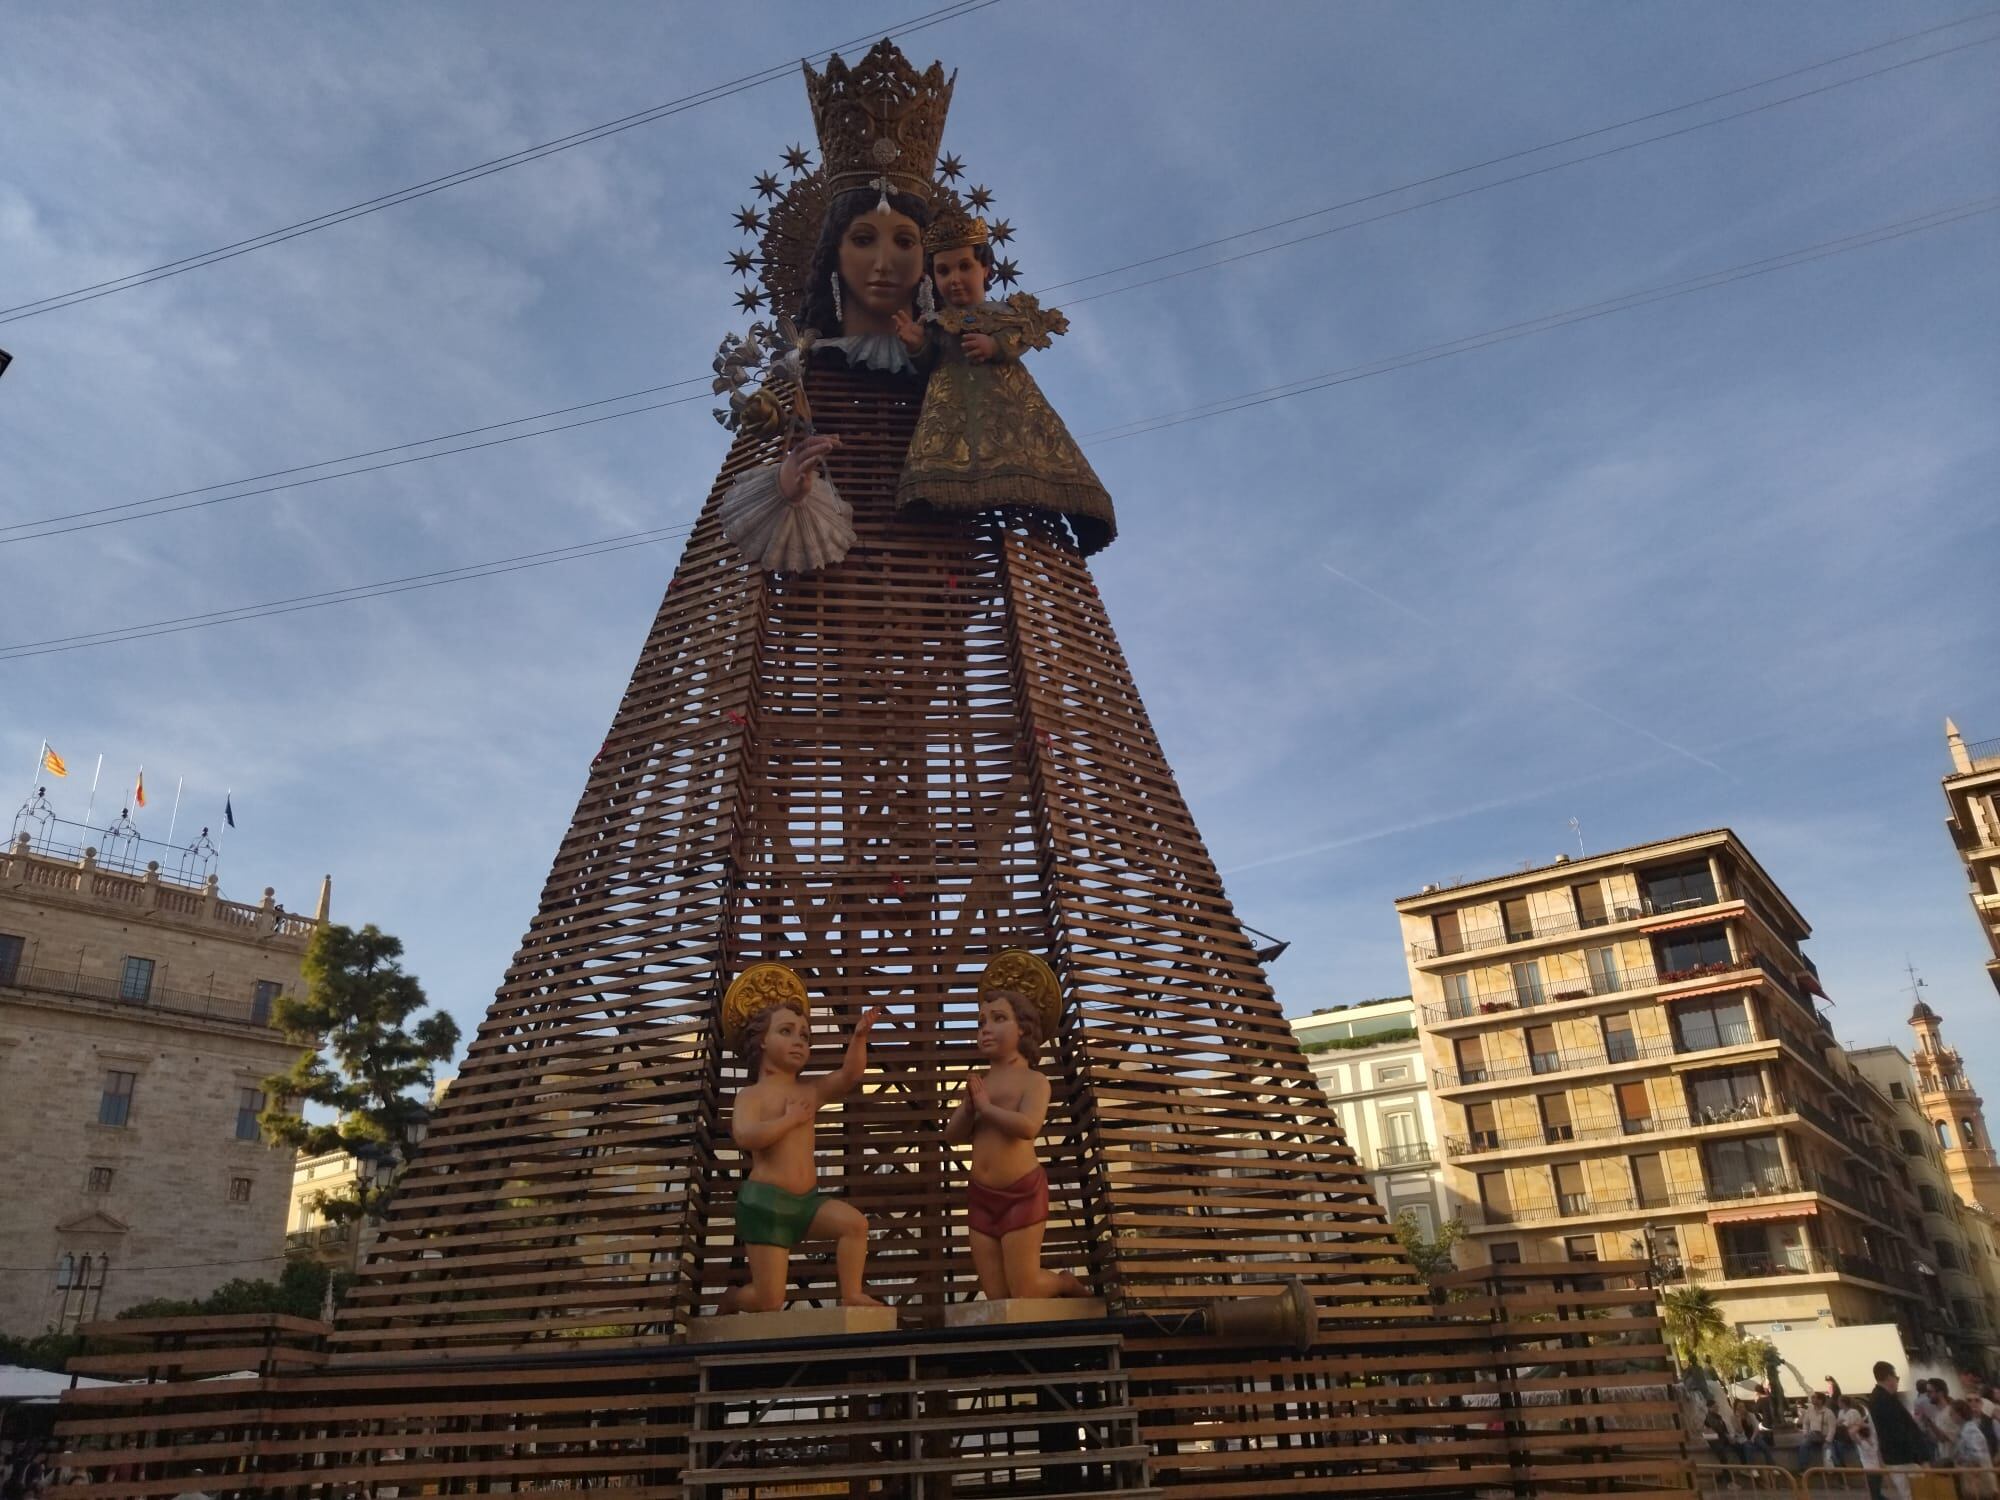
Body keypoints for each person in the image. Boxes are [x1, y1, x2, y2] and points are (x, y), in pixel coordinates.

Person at [892, 195, 1116, 554]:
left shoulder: (1003, 312)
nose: (954, 279)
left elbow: (1019, 335)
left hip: (1008, 400)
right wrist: (917, 344)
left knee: (1041, 450)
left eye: (964, 267)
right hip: (950, 403)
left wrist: (996, 347)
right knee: (942, 455)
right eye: (944, 271)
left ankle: (1081, 518)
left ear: (986, 271)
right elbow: (925, 362)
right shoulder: (934, 322)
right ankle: (937, 512)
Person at [715, 964, 885, 1312]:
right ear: (762, 1039)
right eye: (787, 1031)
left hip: (807, 1204)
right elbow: (746, 1136)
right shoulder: (752, 1096)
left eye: (804, 1036)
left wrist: (859, 1037)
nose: (798, 1041)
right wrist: (789, 1119)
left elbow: (850, 1073)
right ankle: (732, 1299)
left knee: (854, 1225)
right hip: (766, 1205)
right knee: (769, 1300)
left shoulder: (809, 1091)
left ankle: (851, 1293)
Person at [945, 950, 1088, 1300]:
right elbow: (951, 1135)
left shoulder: (1034, 1081)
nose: (985, 1029)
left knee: (1023, 1288)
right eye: (981, 1022)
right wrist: (967, 1108)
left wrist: (985, 1107)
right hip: (981, 1195)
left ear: (1022, 1027)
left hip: (1020, 1192)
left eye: (997, 1019)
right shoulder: (982, 1083)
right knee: (996, 1295)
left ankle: (1063, 1283)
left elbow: (1027, 1126)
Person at [1868, 1361, 1930, 1500]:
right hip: (1904, 1458)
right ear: (1889, 1377)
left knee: (1911, 1493)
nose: (1897, 1381)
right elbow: (1900, 1431)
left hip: (1896, 1458)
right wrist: (1920, 1457)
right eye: (1896, 1378)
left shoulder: (1880, 1398)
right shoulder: (1883, 1400)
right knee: (1916, 1494)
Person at [1952, 1398, 1996, 1497]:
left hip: (1978, 1479)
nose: (1951, 1416)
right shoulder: (1964, 1429)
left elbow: (1976, 1455)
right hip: (1972, 1478)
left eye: (1952, 1413)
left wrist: (1960, 1461)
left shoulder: (1970, 1430)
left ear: (1959, 1414)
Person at [1797, 1389, 1836, 1473]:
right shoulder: (1810, 1410)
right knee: (1803, 1445)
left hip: (1825, 1436)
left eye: (1814, 1398)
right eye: (1812, 1397)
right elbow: (1806, 1423)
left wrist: (1828, 1440)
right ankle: (1803, 1468)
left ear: (1820, 1400)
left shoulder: (1828, 1412)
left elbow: (1832, 1428)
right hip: (1813, 1434)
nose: (1812, 1399)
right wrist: (1805, 1433)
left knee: (1828, 1451)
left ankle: (1831, 1472)